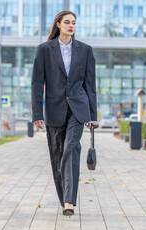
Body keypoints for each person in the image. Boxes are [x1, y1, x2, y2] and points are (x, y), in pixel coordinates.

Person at [31, 10, 97, 216]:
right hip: (53, 109)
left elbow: (90, 85)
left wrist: (93, 115)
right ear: (58, 24)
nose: (71, 25)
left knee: (71, 148)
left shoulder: (85, 50)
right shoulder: (44, 50)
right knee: (57, 156)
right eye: (67, 22)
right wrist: (37, 114)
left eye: (74, 23)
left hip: (78, 109)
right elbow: (36, 83)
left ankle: (70, 201)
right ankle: (64, 200)